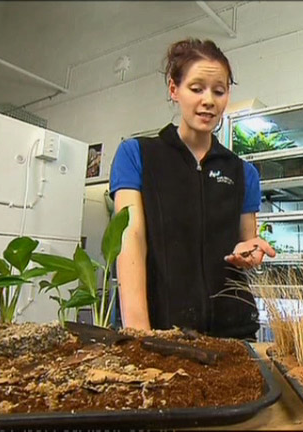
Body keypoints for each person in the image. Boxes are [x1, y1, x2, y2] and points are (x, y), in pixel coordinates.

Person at [110, 38, 275, 339]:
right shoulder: (137, 155)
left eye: (219, 91)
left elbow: (246, 244)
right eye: (197, 88)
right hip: (162, 331)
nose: (208, 100)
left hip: (232, 333)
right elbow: (130, 238)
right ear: (174, 90)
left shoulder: (243, 173)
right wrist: (139, 334)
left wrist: (250, 254)